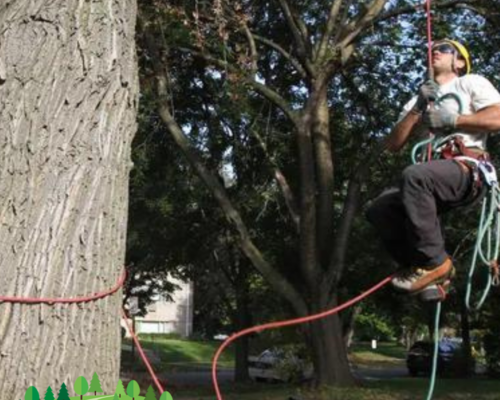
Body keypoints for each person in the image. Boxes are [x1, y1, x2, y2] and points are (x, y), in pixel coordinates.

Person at [366, 39, 500, 300]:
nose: (435, 51)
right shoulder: (423, 95)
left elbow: (498, 117)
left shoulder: (470, 82)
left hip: (467, 168)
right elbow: (393, 144)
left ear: (459, 62)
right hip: (434, 176)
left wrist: (454, 119)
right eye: (433, 49)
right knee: (379, 209)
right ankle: (422, 267)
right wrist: (417, 107)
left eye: (445, 49)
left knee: (414, 177)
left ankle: (437, 263)